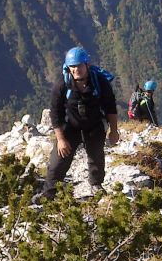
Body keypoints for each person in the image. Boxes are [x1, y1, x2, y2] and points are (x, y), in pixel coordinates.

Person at [38, 46, 120, 200]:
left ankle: (96, 184)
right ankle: (48, 194)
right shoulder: (62, 85)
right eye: (72, 66)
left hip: (94, 125)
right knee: (58, 160)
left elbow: (110, 107)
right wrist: (61, 139)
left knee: (96, 155)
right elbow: (55, 113)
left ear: (87, 65)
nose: (75, 70)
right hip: (71, 127)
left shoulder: (100, 82)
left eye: (79, 65)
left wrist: (114, 130)